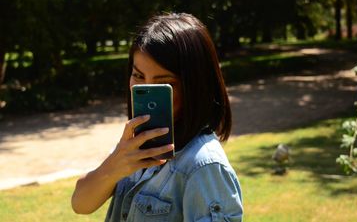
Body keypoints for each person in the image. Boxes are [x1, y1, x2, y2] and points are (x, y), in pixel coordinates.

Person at [71, 13, 243, 221]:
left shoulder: (203, 166)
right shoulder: (133, 147)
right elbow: (80, 203)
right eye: (138, 76)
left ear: (195, 86)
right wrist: (113, 166)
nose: (146, 89)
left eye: (163, 83)